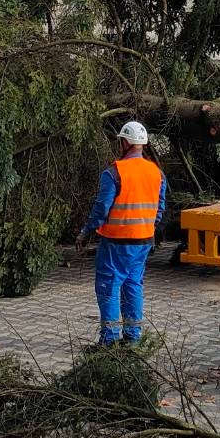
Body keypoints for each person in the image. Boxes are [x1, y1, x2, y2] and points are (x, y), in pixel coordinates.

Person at [75, 121, 166, 345]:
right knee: (133, 285)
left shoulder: (114, 173)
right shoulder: (156, 173)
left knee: (108, 286)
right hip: (143, 241)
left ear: (125, 142)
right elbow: (160, 207)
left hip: (117, 241)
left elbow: (101, 207)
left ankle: (110, 340)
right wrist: (147, 226)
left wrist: (86, 232)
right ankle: (133, 338)